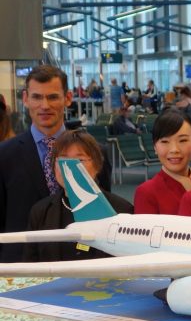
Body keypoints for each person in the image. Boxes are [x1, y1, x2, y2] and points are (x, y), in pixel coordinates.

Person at [0, 65, 110, 262]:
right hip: (23, 266)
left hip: (85, 261)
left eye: (52, 97)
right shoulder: (4, 156)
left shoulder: (95, 153)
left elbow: (104, 214)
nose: (44, 106)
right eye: (36, 97)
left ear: (67, 98)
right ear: (25, 99)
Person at [24, 130, 133, 262]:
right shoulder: (40, 212)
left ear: (97, 165)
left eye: (79, 160)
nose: (69, 167)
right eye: (62, 159)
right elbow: (30, 265)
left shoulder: (121, 210)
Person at [134, 108, 191, 214]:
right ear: (155, 147)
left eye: (182, 140)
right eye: (165, 141)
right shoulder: (147, 192)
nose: (174, 149)